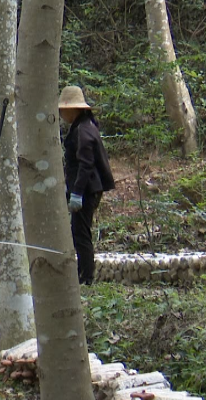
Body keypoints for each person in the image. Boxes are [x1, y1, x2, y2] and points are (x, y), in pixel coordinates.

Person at [59, 85, 115, 285]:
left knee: (81, 234)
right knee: (78, 232)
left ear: (74, 109)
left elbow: (86, 164)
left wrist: (77, 193)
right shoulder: (82, 126)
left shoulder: (84, 129)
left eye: (64, 110)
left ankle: (87, 278)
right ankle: (83, 274)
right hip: (83, 187)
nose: (62, 114)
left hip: (86, 189)